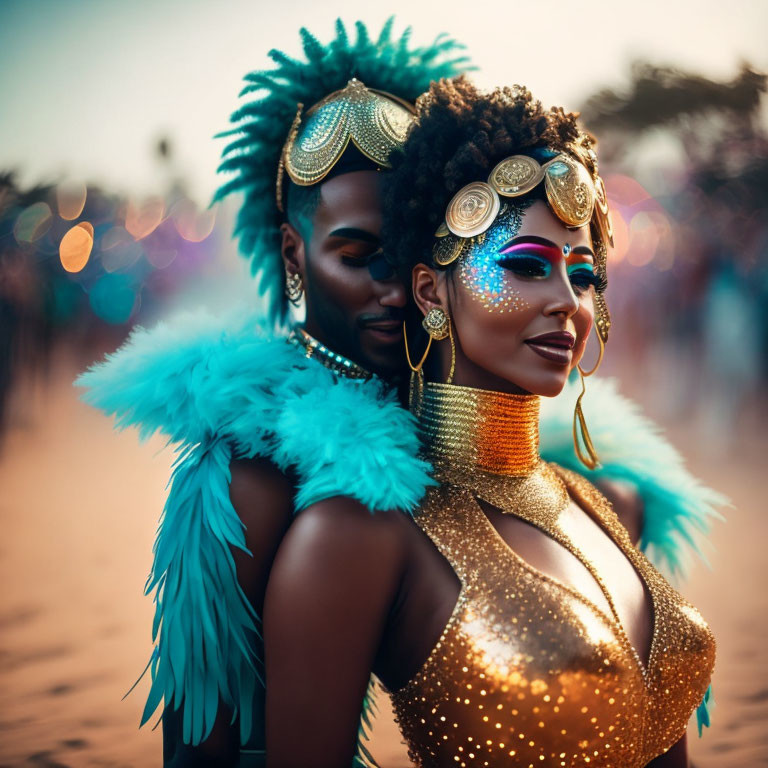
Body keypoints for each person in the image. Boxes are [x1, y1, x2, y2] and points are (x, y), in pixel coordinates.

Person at [262, 78, 717, 767]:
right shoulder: (357, 536)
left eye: (585, 274)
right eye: (527, 265)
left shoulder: (606, 504)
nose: (568, 301)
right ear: (428, 290)